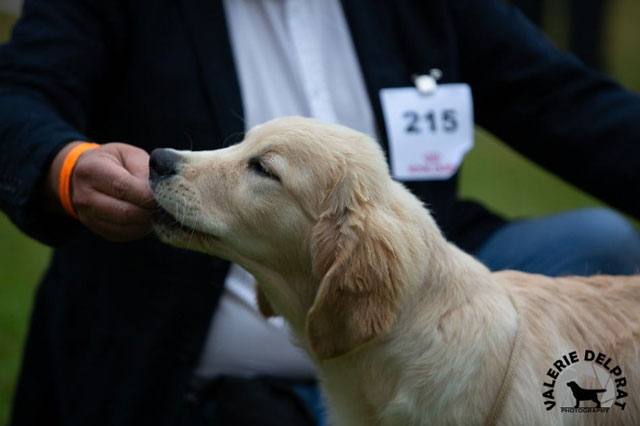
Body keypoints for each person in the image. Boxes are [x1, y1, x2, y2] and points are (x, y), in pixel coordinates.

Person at [1, 0, 639, 425]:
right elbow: (17, 94)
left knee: (596, 241)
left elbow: (566, 101)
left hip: (402, 296)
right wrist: (65, 165)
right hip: (182, 352)